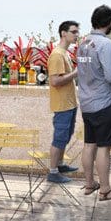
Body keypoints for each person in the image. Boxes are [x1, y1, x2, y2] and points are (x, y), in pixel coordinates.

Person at [76, 4, 111, 201]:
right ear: (110, 23)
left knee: (90, 144)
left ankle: (90, 184)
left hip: (87, 103)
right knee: (104, 148)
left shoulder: (84, 43)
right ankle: (105, 190)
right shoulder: (105, 44)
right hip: (104, 103)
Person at [45, 21, 82, 184]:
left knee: (65, 136)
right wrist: (75, 73)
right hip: (62, 106)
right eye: (73, 32)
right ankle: (53, 172)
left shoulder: (65, 53)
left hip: (69, 104)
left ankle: (59, 165)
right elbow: (54, 81)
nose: (77, 35)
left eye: (77, 32)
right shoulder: (57, 55)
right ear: (63, 33)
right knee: (59, 138)